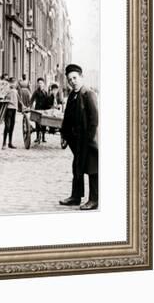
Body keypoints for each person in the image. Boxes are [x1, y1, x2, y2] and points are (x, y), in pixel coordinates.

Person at [59, 64, 99, 210]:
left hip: (87, 140)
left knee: (92, 168)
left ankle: (94, 200)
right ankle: (75, 197)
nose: (72, 81)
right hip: (76, 141)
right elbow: (67, 117)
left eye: (75, 78)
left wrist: (89, 139)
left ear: (81, 77)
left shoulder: (88, 93)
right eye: (70, 79)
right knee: (77, 167)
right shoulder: (72, 95)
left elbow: (94, 119)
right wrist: (64, 134)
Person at [30, 77, 49, 143]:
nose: (40, 84)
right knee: (37, 123)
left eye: (41, 83)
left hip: (44, 109)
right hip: (38, 109)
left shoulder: (46, 92)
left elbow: (48, 100)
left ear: (43, 84)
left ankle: (43, 137)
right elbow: (32, 99)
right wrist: (30, 106)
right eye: (39, 83)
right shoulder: (36, 92)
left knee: (44, 123)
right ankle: (37, 137)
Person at [2, 77, 19, 149]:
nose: (13, 84)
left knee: (12, 126)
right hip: (8, 108)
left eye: (14, 83)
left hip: (14, 109)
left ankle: (10, 142)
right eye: (12, 83)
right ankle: (4, 143)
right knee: (7, 126)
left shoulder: (16, 91)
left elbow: (19, 99)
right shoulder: (7, 90)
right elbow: (3, 97)